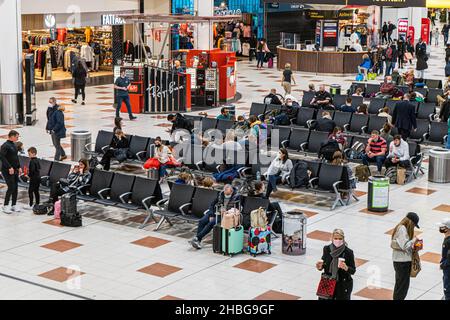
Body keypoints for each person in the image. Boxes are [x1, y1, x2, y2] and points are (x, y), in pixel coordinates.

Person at [189, 184, 241, 249]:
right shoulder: (221, 194)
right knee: (202, 221)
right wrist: (211, 214)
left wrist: (227, 212)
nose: (226, 196)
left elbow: (238, 209)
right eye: (225, 193)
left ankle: (197, 238)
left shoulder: (237, 196)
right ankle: (198, 241)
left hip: (226, 215)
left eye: (227, 194)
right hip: (215, 212)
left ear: (231, 191)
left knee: (211, 223)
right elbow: (212, 204)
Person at [316, 229, 356, 300]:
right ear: (332, 238)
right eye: (336, 238)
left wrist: (346, 268)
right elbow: (324, 264)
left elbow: (353, 270)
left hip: (342, 285)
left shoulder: (348, 252)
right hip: (328, 282)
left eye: (340, 238)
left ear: (343, 239)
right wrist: (319, 267)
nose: (338, 240)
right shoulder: (327, 249)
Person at [391, 212, 422, 300]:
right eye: (414, 225)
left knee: (401, 285)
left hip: (401, 261)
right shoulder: (402, 229)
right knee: (402, 287)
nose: (413, 227)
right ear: (411, 222)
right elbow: (405, 246)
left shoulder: (402, 228)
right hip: (402, 262)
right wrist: (414, 240)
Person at [0, 130, 21, 214]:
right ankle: (5, 206)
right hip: (7, 170)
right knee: (11, 187)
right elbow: (2, 157)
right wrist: (9, 167)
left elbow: (16, 157)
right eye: (16, 137)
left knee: (15, 187)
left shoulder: (14, 145)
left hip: (15, 169)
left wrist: (19, 166)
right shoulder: (5, 146)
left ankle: (13, 205)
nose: (17, 138)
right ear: (11, 136)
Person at [437, 218, 450, 300]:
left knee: (448, 289)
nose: (440, 228)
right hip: (446, 268)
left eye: (442, 227)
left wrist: (443, 265)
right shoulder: (447, 239)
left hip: (448, 268)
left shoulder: (449, 241)